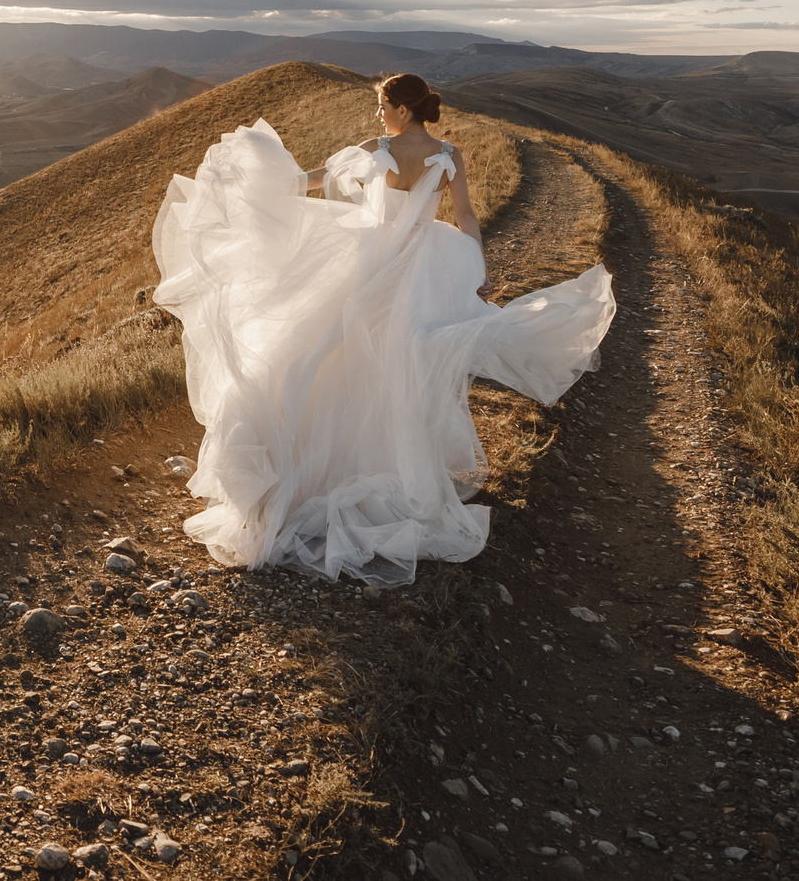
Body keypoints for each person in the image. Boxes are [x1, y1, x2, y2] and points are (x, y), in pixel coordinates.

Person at [152, 71, 615, 585]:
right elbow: (464, 216)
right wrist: (474, 271)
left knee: (326, 356)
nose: (377, 114)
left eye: (381, 105)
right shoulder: (450, 155)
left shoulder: (376, 148)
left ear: (400, 108)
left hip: (370, 261)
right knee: (397, 366)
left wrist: (250, 183)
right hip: (421, 264)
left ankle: (318, 467)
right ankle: (395, 468)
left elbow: (306, 182)